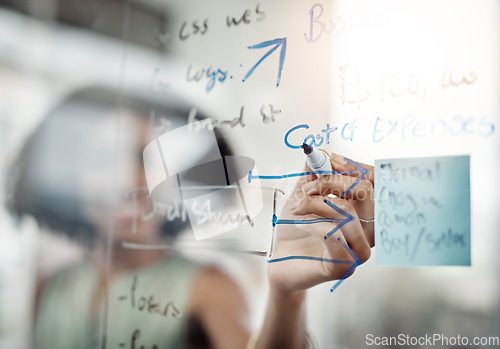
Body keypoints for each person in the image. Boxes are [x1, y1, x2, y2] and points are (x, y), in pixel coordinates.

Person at [7, 86, 375, 349]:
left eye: (146, 159)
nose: (127, 181)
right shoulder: (53, 284)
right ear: (71, 176)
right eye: (103, 160)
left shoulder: (209, 288)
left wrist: (285, 295)